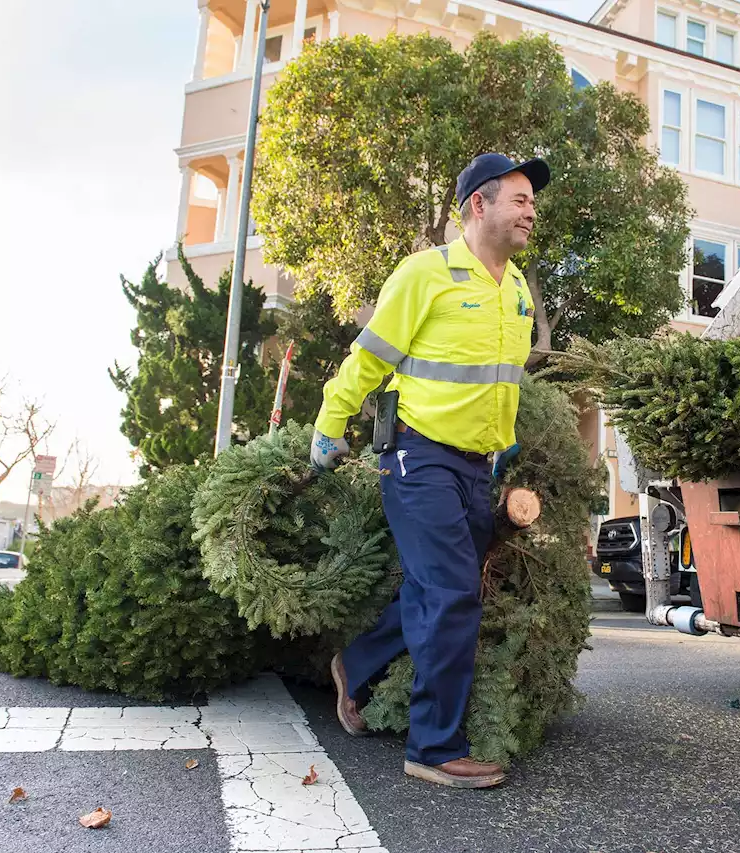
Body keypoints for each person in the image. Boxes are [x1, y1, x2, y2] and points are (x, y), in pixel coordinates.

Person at [310, 153, 549, 789]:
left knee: (429, 590)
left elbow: (503, 380)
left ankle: (353, 664)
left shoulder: (517, 289)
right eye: (519, 200)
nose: (531, 211)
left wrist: (505, 444)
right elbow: (369, 357)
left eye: (531, 201)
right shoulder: (426, 274)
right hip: (419, 458)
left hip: (477, 468)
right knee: (452, 596)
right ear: (480, 204)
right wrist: (330, 425)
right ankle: (435, 747)